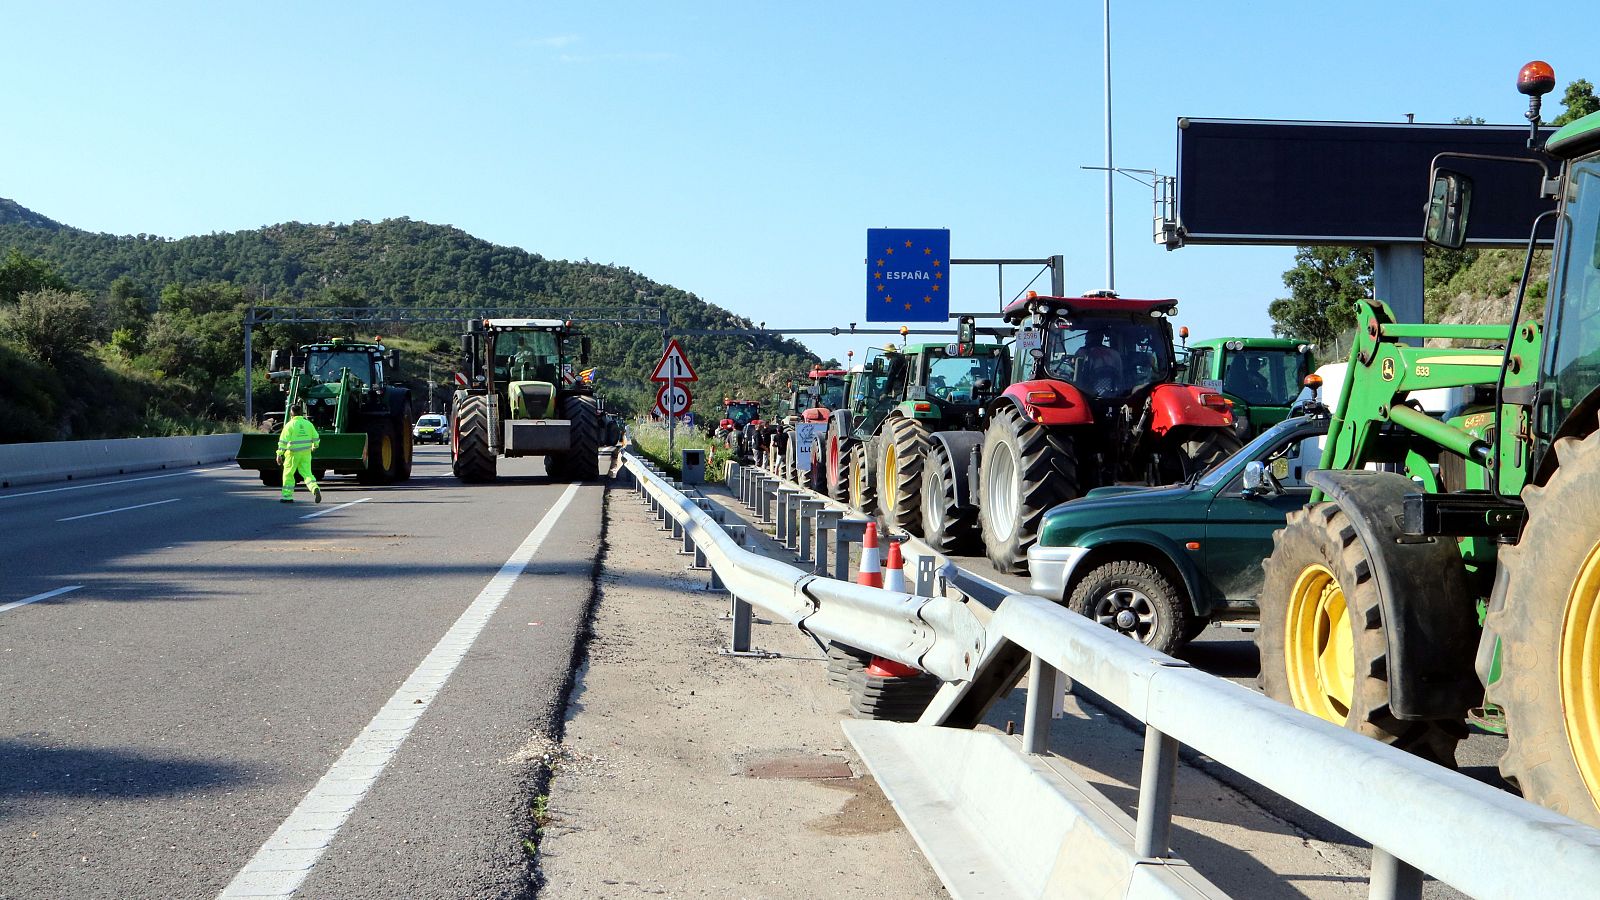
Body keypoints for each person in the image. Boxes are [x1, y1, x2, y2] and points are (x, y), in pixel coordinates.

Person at [275, 401, 323, 504]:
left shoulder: (289, 425)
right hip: (306, 453)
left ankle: (287, 496)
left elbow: (283, 441)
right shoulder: (308, 424)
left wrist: (279, 454)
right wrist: (315, 446)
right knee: (307, 474)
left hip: (292, 454)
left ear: (291, 413)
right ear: (301, 412)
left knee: (288, 474)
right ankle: (314, 488)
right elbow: (316, 437)